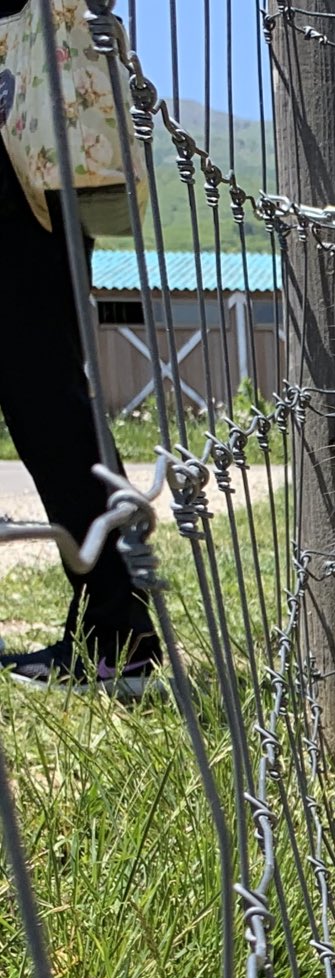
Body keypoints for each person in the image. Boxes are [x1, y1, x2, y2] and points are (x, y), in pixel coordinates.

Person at [0, 101, 158, 694]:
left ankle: (117, 631)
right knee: (46, 381)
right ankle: (118, 628)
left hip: (16, 156)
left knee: (40, 382)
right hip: (35, 150)